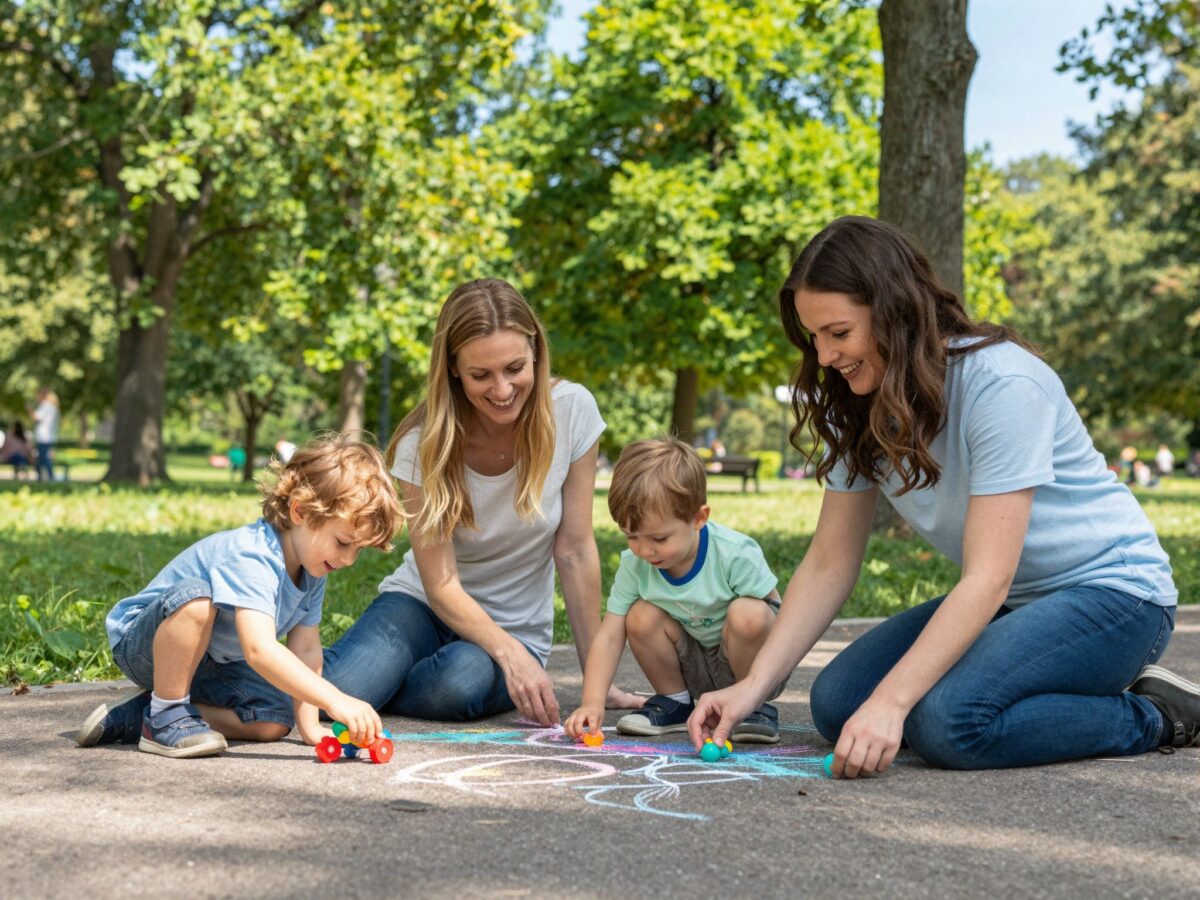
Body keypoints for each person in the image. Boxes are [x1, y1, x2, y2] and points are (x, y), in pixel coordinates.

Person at [689, 216, 1194, 778]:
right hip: (1020, 601)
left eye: (839, 333)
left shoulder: (1001, 384)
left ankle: (1155, 714)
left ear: (894, 312)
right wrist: (751, 688)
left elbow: (987, 577)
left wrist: (893, 703)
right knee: (838, 704)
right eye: (814, 337)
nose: (825, 355)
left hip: (1117, 597)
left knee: (948, 722)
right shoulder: (856, 401)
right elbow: (831, 562)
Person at [323, 278, 643, 725]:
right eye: (481, 375)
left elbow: (574, 549)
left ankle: (383, 683)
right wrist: (507, 654)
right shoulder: (423, 442)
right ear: (453, 368)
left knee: (457, 684)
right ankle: (231, 675)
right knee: (342, 690)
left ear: (536, 351)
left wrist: (597, 679)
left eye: (515, 368)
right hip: (423, 606)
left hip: (516, 627)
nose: (502, 388)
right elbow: (441, 584)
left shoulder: (572, 410)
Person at [76, 434, 401, 758]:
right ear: (300, 512)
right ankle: (165, 715)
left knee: (272, 719)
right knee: (198, 600)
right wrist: (335, 699)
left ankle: (144, 713)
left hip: (211, 662)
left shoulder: (313, 567)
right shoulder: (253, 555)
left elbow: (306, 648)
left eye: (359, 549)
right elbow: (258, 649)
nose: (348, 560)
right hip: (147, 646)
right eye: (343, 543)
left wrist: (311, 726)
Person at [564, 437, 785, 744]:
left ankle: (754, 707)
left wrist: (758, 684)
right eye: (632, 536)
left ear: (699, 518)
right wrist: (592, 701)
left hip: (749, 666)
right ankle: (676, 702)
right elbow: (610, 635)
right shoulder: (635, 565)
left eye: (659, 538)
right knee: (639, 615)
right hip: (693, 663)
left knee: (749, 613)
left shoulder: (734, 553)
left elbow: (776, 619)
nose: (644, 550)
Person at [30, 387, 59, 481]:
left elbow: (36, 417)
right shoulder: (53, 407)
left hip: (44, 437)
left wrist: (29, 409)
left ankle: (48, 477)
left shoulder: (46, 406)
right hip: (48, 436)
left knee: (43, 459)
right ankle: (45, 477)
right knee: (43, 458)